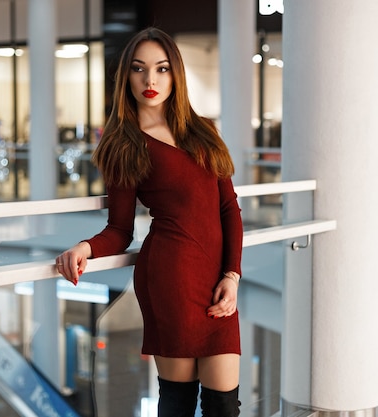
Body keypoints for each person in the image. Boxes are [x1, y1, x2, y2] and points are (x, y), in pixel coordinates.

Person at [55, 27, 243, 417]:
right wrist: (85, 247)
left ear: (176, 74)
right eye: (139, 69)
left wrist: (232, 274)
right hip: (170, 279)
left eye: (161, 69)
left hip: (216, 276)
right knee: (178, 402)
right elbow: (120, 229)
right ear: (126, 77)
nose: (150, 80)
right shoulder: (123, 143)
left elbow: (229, 209)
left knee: (224, 407)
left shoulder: (203, 130)